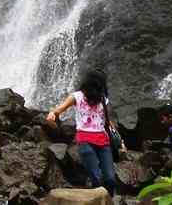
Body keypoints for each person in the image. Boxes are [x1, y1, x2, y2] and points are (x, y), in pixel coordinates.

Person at [46, 68, 122, 196]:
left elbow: (107, 122)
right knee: (96, 178)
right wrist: (52, 114)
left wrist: (121, 142)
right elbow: (59, 109)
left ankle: (107, 200)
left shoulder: (103, 99)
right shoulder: (77, 96)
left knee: (110, 179)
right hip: (85, 141)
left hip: (104, 142)